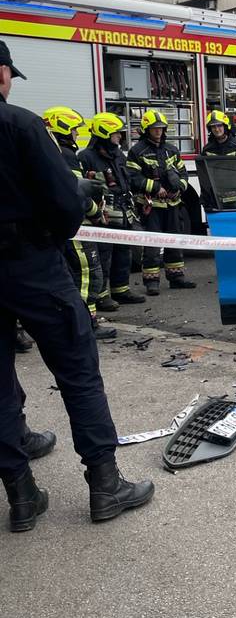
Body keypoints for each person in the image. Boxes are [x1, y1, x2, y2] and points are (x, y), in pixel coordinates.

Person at [0, 40, 153, 531]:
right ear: (1, 74)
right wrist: (78, 195)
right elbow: (64, 205)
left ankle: (21, 496)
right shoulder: (21, 125)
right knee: (78, 371)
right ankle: (105, 487)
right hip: (31, 266)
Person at [43, 106, 116, 342]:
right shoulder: (66, 155)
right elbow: (74, 193)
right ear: (63, 128)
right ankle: (85, 325)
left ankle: (78, 322)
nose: (76, 134)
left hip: (65, 226)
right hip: (78, 226)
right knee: (87, 275)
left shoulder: (53, 152)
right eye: (74, 129)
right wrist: (96, 214)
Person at [79, 112, 146, 310]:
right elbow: (84, 188)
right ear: (105, 132)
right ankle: (101, 295)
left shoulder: (117, 154)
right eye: (116, 133)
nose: (120, 137)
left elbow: (126, 180)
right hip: (104, 215)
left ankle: (121, 290)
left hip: (123, 210)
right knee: (103, 255)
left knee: (123, 253)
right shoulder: (86, 157)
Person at [127, 109, 196, 295]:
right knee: (152, 243)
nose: (158, 131)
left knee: (175, 240)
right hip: (151, 205)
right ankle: (152, 281)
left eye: (160, 128)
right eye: (154, 128)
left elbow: (183, 173)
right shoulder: (137, 151)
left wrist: (178, 188)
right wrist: (156, 188)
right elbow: (133, 178)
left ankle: (176, 277)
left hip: (172, 205)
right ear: (146, 129)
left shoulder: (171, 150)